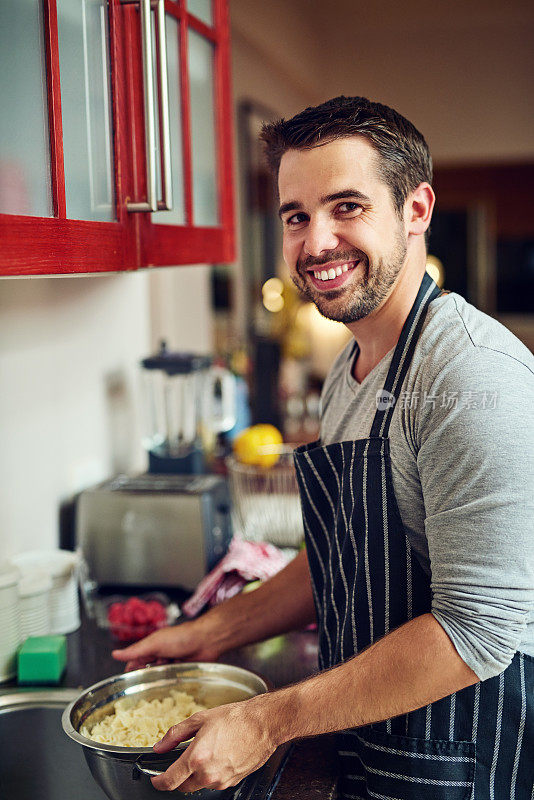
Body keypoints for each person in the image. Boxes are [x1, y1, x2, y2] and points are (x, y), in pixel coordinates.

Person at [113, 97, 534, 799]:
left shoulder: (468, 377)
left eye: (347, 207)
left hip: (462, 755)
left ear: (416, 209)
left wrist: (267, 722)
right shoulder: (353, 366)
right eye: (297, 216)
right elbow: (346, 551)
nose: (316, 242)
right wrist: (210, 633)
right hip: (375, 734)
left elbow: (477, 633)